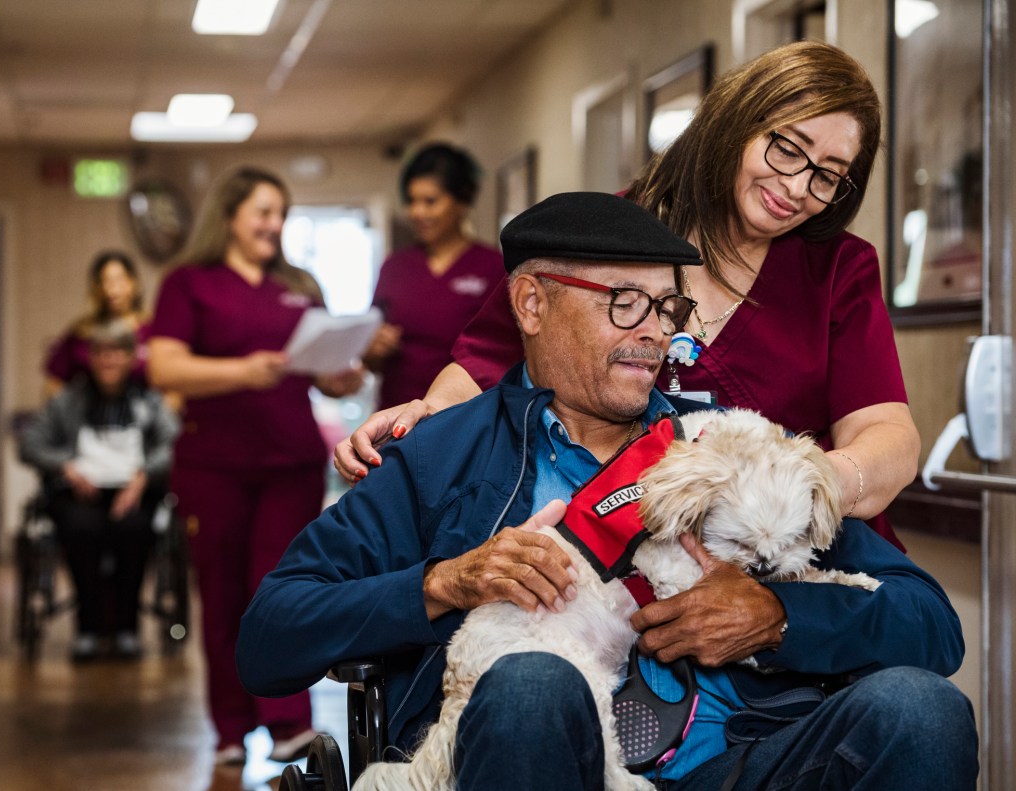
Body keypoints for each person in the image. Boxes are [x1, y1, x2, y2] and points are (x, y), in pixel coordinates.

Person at [237, 192, 976, 790]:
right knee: (532, 682)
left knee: (922, 708)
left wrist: (780, 616)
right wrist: (444, 582)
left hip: (739, 758)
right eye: (625, 302)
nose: (654, 333)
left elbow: (932, 625)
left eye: (668, 309)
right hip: (537, 757)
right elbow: (269, 636)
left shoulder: (720, 446)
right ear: (531, 304)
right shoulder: (441, 454)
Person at [333, 41, 919, 553]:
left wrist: (812, 483)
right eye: (787, 149)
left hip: (774, 557)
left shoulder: (838, 268)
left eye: (827, 175)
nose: (796, 188)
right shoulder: (605, 231)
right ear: (738, 121)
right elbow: (484, 364)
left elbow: (889, 437)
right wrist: (427, 421)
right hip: (603, 546)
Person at [147, 165, 362, 765]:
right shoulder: (188, 282)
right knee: (220, 595)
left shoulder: (298, 283)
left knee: (281, 592)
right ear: (231, 217)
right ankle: (229, 731)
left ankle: (288, 720)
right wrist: (243, 371)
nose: (274, 225)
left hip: (289, 463)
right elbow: (164, 368)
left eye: (281, 214)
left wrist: (343, 374)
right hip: (212, 466)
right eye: (263, 212)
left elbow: (325, 374)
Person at [20, 319, 179, 661]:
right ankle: (87, 628)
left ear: (129, 357)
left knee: (135, 530)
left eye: (117, 353)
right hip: (80, 492)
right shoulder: (67, 399)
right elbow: (31, 443)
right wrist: (67, 467)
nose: (108, 360)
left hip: (134, 491)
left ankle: (127, 628)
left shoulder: (149, 400)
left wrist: (142, 478)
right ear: (91, 357)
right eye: (101, 352)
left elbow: (173, 444)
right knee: (80, 529)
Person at [362, 142, 503, 411]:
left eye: (430, 201)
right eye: (412, 201)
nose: (417, 212)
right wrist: (374, 349)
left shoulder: (492, 267)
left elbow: (505, 353)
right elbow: (370, 359)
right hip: (397, 416)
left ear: (462, 201)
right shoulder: (395, 267)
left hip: (467, 416)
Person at [43, 250, 151, 399]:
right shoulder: (82, 332)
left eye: (119, 280)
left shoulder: (153, 330)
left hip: (142, 415)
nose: (111, 290)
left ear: (133, 283)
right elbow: (54, 383)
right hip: (90, 416)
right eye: (104, 281)